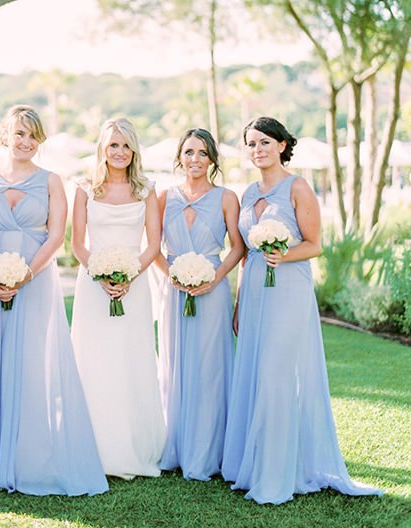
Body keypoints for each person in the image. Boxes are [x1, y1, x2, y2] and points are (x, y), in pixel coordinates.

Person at [222, 116, 383, 504]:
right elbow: (245, 256)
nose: (257, 150)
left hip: (289, 290)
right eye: (251, 144)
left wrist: (283, 254)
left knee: (279, 375)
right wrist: (240, 303)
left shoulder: (298, 187)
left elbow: (315, 244)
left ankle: (279, 476)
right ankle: (258, 465)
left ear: (281, 145)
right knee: (258, 375)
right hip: (257, 290)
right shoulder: (246, 193)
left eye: (264, 142)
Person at [0, 105, 107, 496]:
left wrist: (23, 275)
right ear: (4, 135)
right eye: (19, 134)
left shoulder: (53, 181)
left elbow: (56, 236)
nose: (26, 142)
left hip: (35, 282)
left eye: (33, 135)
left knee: (31, 364)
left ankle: (27, 458)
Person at [71, 117, 166, 479]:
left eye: (127, 145)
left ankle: (132, 446)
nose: (120, 152)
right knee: (93, 359)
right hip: (93, 285)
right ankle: (92, 445)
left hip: (136, 283)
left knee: (131, 358)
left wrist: (128, 275)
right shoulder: (84, 188)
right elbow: (77, 244)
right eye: (114, 145)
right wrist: (100, 274)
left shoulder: (146, 189)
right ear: (102, 148)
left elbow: (153, 244)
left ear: (134, 150)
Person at [155, 128, 244, 480]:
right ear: (179, 157)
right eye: (189, 152)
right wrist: (171, 274)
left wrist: (216, 276)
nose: (195, 159)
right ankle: (175, 447)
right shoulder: (164, 197)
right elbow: (153, 247)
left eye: (202, 153)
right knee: (174, 365)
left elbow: (238, 246)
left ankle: (209, 453)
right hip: (174, 291)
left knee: (211, 368)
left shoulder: (226, 197)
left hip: (213, 291)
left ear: (212, 160)